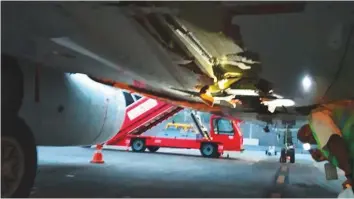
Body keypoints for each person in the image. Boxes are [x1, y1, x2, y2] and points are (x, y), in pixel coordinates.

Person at [297, 100, 354, 189]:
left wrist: (349, 175)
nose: (313, 143)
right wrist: (326, 157)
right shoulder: (319, 121)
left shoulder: (316, 119)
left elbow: (335, 142)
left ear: (307, 133)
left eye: (309, 141)